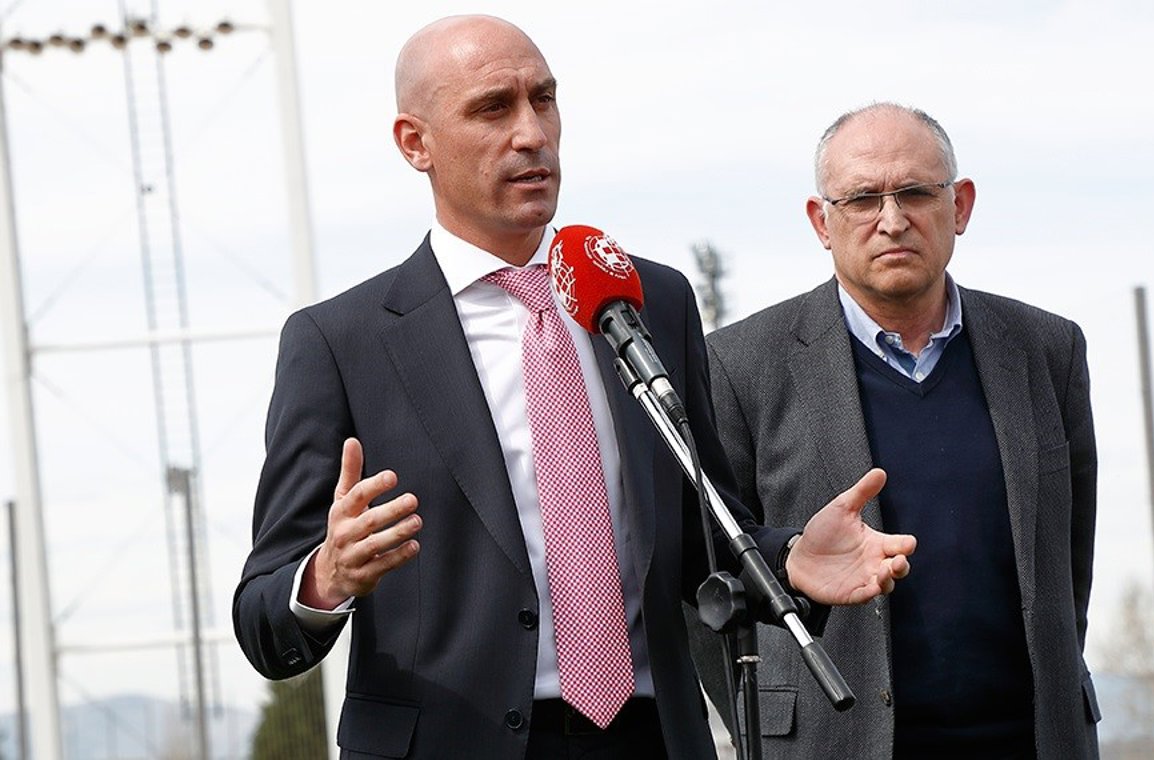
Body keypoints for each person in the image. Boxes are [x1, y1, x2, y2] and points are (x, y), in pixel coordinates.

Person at [232, 17, 916, 760]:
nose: (531, 133)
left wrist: (790, 558)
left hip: (651, 738)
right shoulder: (341, 343)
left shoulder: (649, 300)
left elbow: (702, 533)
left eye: (544, 100)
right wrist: (325, 577)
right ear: (414, 143)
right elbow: (262, 618)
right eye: (493, 108)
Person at [691, 102, 1101, 759]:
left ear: (959, 206)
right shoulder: (740, 366)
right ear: (821, 222)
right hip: (831, 746)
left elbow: (1068, 561)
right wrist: (761, 719)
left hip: (1027, 740)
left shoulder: (1046, 351)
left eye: (915, 192)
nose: (891, 219)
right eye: (861, 199)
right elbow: (705, 576)